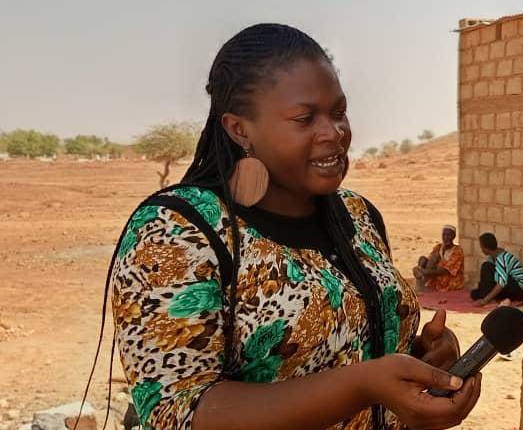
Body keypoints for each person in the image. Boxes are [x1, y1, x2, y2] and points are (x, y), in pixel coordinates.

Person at [108, 24, 480, 430]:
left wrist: (427, 356)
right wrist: (362, 385)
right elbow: (178, 412)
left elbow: (361, 349)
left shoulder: (358, 215)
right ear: (239, 129)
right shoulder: (178, 231)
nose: (334, 132)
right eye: (305, 118)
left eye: (338, 112)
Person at [471, 233, 523, 307]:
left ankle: (490, 299)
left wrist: (484, 301)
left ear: (486, 248)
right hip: (507, 286)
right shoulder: (493, 256)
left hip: (518, 289)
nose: (481, 250)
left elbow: (501, 284)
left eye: (481, 247)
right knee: (474, 293)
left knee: (486, 266)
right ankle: (492, 298)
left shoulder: (502, 258)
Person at [412, 225, 465, 292]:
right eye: (444, 235)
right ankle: (420, 279)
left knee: (424, 268)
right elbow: (430, 261)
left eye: (449, 235)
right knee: (423, 259)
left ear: (454, 236)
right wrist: (422, 269)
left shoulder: (458, 250)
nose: (446, 237)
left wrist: (425, 272)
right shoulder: (439, 247)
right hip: (436, 275)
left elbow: (445, 271)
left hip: (449, 279)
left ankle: (420, 282)